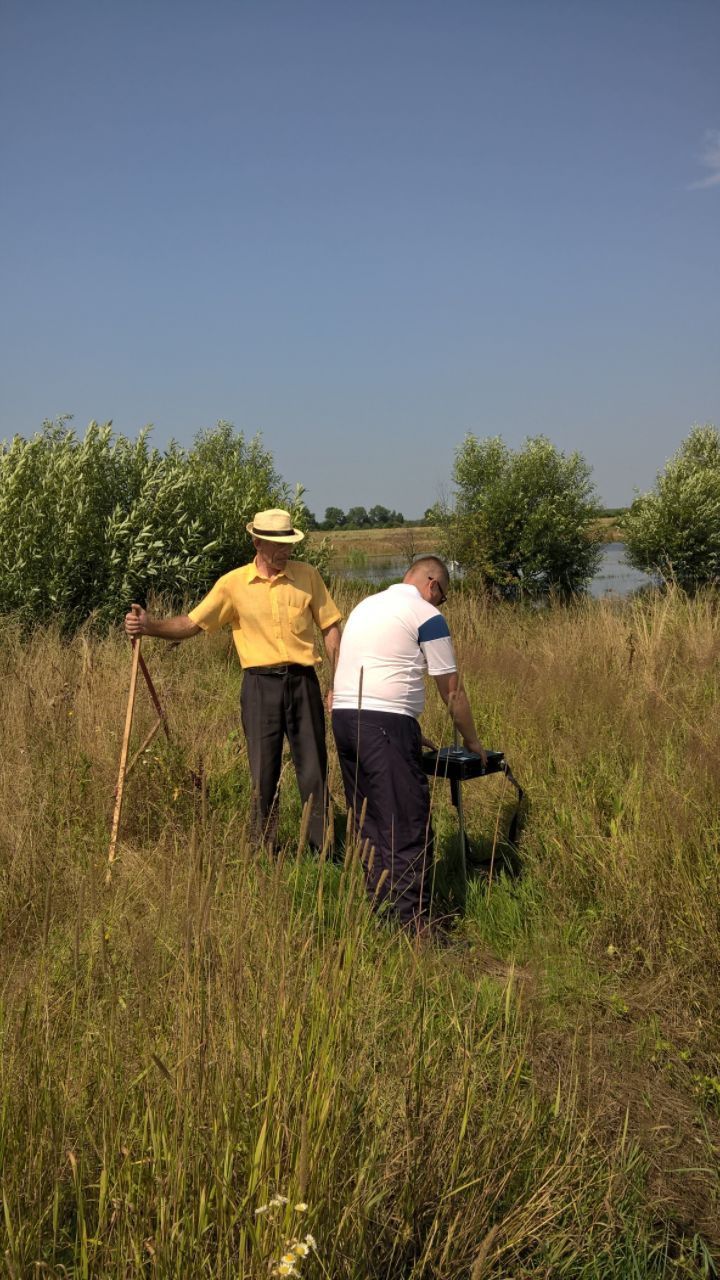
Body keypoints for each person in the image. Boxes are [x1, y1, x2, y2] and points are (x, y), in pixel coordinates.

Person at [125, 508, 341, 852]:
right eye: (276, 543)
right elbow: (192, 624)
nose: (285, 550)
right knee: (263, 772)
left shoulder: (307, 576)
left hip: (304, 682)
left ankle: (324, 851)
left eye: (289, 542)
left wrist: (337, 681)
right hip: (259, 686)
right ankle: (263, 851)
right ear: (256, 542)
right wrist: (150, 627)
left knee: (314, 769)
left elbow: (330, 626)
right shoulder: (233, 584)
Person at [331, 556, 486, 933]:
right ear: (432, 584)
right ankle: (411, 927)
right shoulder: (425, 615)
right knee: (405, 823)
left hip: (346, 719)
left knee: (370, 821)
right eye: (442, 597)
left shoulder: (366, 605)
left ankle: (380, 910)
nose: (439, 604)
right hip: (384, 724)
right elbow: (452, 691)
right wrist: (472, 740)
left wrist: (407, 733)